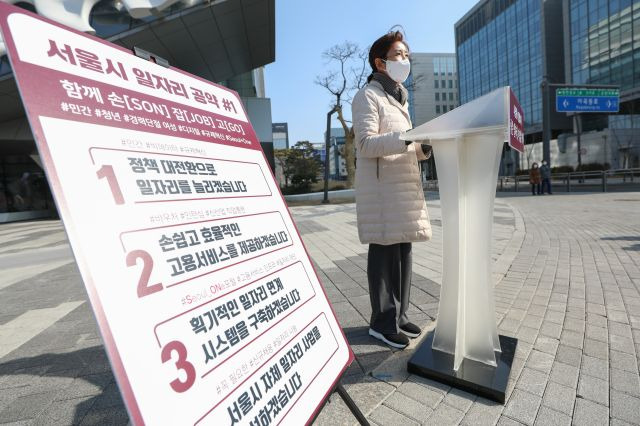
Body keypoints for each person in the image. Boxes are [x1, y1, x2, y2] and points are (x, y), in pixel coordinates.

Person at [352, 31, 432, 349]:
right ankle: (382, 322)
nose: (405, 60)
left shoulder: (399, 98)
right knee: (385, 253)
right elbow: (366, 144)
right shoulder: (367, 96)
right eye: (399, 54)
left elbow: (405, 144)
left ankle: (399, 316)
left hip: (403, 187)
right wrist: (409, 137)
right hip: (383, 190)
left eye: (407, 54)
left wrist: (423, 145)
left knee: (404, 253)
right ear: (379, 62)